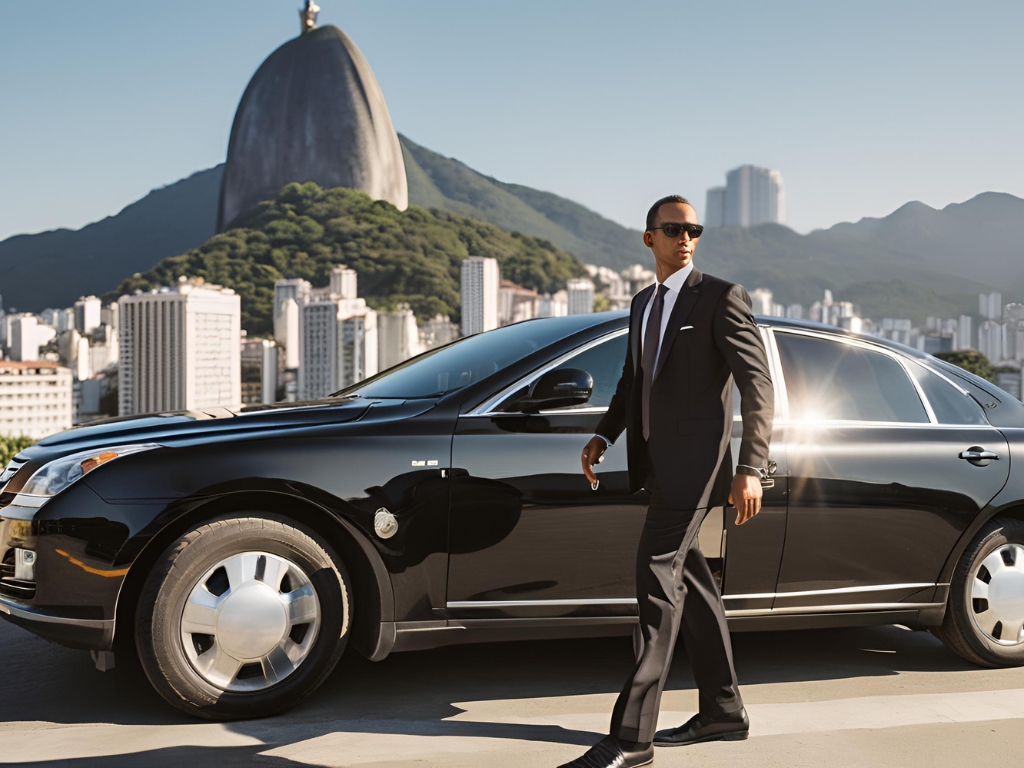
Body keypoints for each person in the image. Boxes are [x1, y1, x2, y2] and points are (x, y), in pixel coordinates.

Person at [559, 195, 774, 768]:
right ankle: (724, 711)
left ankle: (632, 738)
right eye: (673, 229)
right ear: (648, 238)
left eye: (694, 230)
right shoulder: (642, 303)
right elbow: (635, 381)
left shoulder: (721, 298)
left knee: (656, 579)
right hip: (657, 466)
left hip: (699, 469)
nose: (685, 238)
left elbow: (758, 385)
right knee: (693, 581)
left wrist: (751, 468)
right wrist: (604, 436)